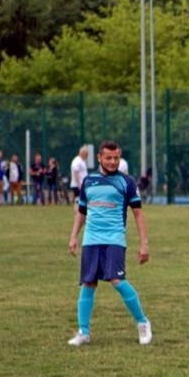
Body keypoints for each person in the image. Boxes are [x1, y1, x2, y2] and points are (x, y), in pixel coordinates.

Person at [66, 141, 151, 347]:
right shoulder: (89, 181)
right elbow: (82, 212)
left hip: (114, 238)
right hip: (91, 239)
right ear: (100, 158)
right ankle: (83, 332)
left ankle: (142, 323)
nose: (113, 162)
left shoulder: (127, 182)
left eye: (116, 158)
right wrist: (74, 236)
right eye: (108, 158)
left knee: (117, 280)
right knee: (88, 283)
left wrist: (144, 243)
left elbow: (138, 214)